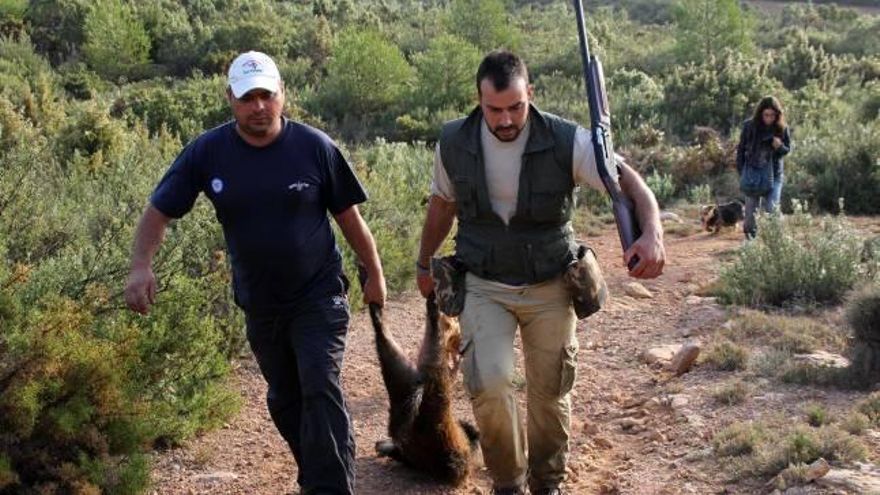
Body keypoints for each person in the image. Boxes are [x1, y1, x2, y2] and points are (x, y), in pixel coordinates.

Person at [124, 51, 385, 495]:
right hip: (261, 302)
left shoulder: (314, 147)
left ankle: (329, 488)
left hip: (318, 294)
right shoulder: (208, 152)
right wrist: (140, 266)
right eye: (248, 98)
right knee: (286, 398)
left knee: (320, 384)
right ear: (231, 98)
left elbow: (349, 219)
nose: (259, 106)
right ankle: (318, 471)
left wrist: (374, 272)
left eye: (267, 95)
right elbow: (158, 211)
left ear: (283, 94)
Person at [415, 51, 665, 495]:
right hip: (485, 282)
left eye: (516, 106)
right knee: (489, 385)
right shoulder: (454, 142)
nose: (507, 119)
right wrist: (423, 261)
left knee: (550, 396)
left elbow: (631, 184)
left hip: (551, 282)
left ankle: (547, 482)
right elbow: (443, 205)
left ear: (530, 94)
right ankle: (508, 484)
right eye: (495, 109)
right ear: (479, 100)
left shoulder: (568, 140)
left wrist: (653, 233)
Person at [736, 95, 792, 238]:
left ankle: (776, 242)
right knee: (750, 215)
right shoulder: (749, 126)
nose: (769, 118)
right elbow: (741, 149)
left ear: (777, 115)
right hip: (753, 174)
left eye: (772, 115)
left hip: (774, 175)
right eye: (766, 115)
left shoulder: (782, 128)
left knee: (772, 209)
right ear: (760, 114)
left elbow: (786, 150)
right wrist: (742, 171)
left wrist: (779, 146)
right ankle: (750, 242)